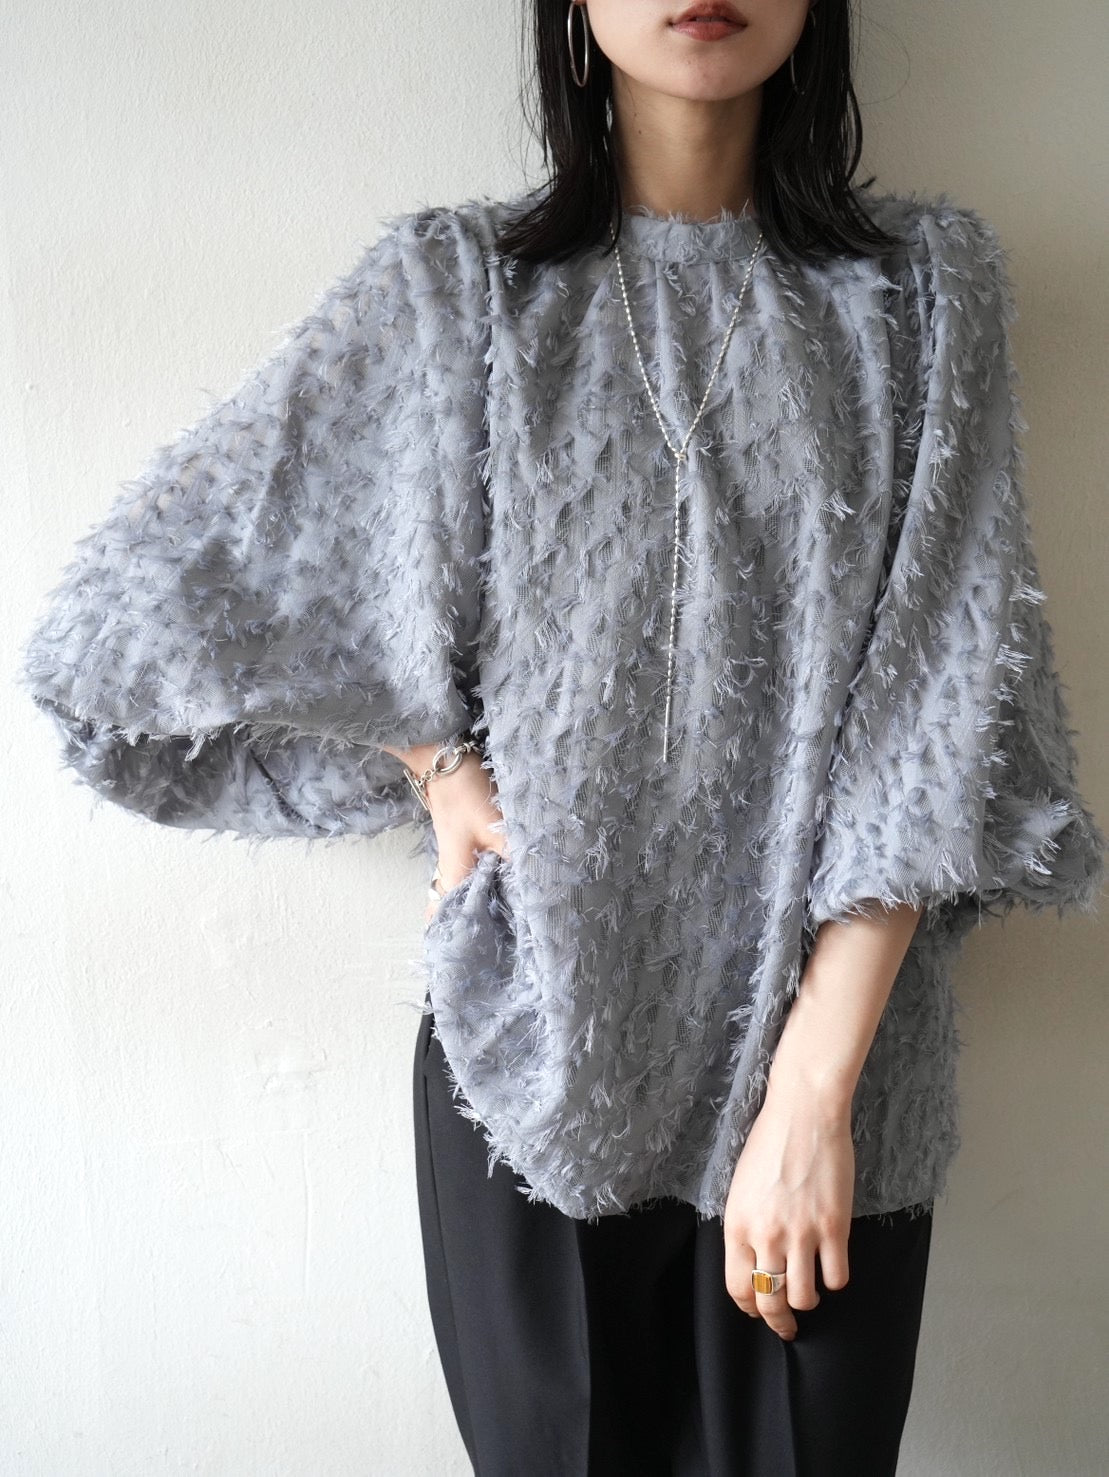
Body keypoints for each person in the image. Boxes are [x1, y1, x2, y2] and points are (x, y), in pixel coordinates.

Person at [18, 1, 1105, 1473]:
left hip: (835, 1091)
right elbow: (121, 628)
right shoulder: (455, 292)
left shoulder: (921, 293)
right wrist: (432, 762)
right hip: (531, 1069)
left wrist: (809, 1095)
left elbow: (943, 706)